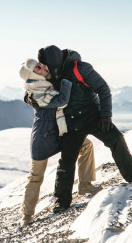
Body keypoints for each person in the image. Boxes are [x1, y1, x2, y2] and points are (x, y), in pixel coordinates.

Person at [35, 45, 132, 213]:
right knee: (67, 159)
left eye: (47, 65)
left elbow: (103, 89)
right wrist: (29, 97)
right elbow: (32, 86)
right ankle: (61, 201)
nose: (45, 68)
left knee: (116, 140)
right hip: (72, 122)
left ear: (54, 62)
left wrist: (106, 115)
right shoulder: (50, 74)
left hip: (94, 116)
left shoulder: (80, 68)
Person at [19, 58, 101, 226]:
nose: (43, 67)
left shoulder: (42, 84)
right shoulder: (36, 91)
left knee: (86, 146)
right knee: (36, 176)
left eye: (41, 65)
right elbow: (61, 100)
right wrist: (66, 80)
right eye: (38, 68)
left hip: (58, 132)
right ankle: (26, 215)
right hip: (43, 137)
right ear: (32, 75)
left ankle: (85, 184)